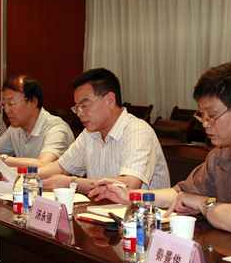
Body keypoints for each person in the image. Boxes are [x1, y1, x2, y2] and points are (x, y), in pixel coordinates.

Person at [93, 62, 231, 236]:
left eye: (211, 115)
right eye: (201, 115)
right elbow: (180, 194)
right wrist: (131, 196)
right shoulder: (221, 153)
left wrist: (203, 204)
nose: (204, 124)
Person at [37, 68, 170, 194]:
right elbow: (60, 167)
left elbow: (130, 184)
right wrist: (28, 175)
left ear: (110, 100)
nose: (79, 113)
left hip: (141, 211)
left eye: (85, 105)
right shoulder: (89, 134)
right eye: (77, 107)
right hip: (103, 208)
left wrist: (72, 183)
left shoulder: (138, 131)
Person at [0, 74, 75, 167]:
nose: (7, 110)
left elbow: (44, 164)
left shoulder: (56, 128)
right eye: (4, 104)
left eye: (11, 103)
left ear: (33, 102)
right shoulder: (15, 129)